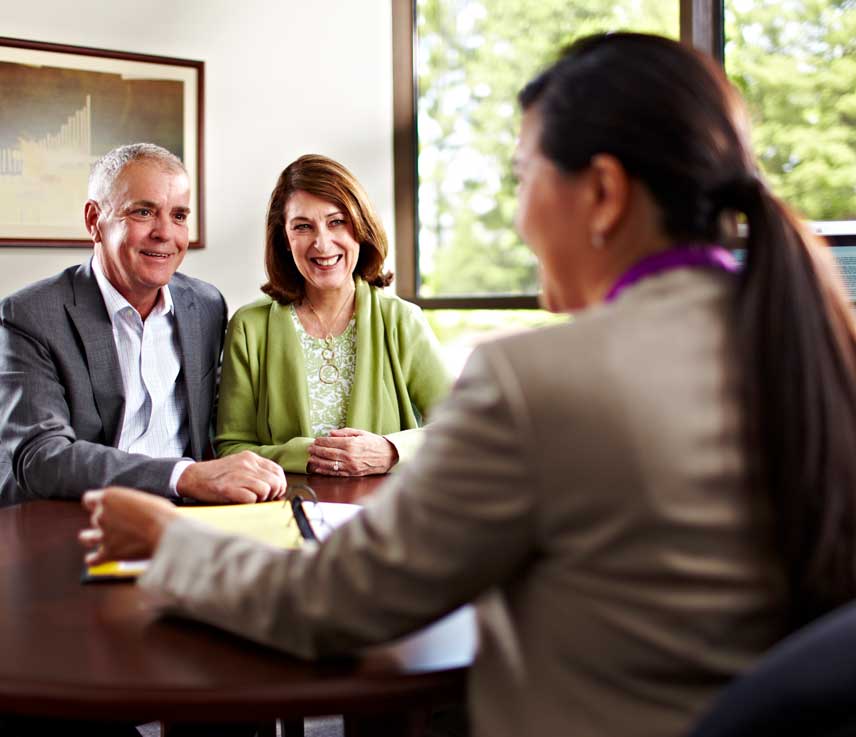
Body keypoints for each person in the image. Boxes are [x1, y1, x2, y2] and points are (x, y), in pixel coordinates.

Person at [79, 33, 856, 737]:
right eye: (302, 226)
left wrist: (169, 537)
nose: (518, 215)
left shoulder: (538, 380)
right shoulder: (814, 343)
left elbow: (336, 603)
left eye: (524, 175)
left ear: (604, 194)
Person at [0, 143, 286, 506]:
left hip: (193, 515)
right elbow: (41, 457)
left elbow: (225, 420)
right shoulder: (30, 315)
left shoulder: (206, 305)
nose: (165, 233)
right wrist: (183, 476)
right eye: (143, 212)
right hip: (79, 516)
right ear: (94, 220)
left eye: (179, 216)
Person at [214, 154, 451, 475]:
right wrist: (308, 455)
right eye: (302, 227)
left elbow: (460, 428)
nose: (322, 243)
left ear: (360, 228)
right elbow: (231, 446)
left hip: (386, 510)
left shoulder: (401, 319)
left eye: (337, 221)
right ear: (284, 239)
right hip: (285, 508)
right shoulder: (249, 327)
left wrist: (391, 451)